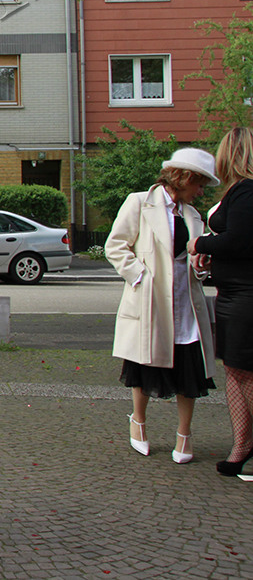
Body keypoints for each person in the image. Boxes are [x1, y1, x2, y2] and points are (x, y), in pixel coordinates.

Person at [107, 148, 218, 464]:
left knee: (189, 367)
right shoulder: (140, 202)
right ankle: (138, 422)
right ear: (184, 178)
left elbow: (195, 263)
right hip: (151, 299)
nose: (201, 192)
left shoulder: (194, 215)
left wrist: (201, 266)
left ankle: (185, 433)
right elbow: (115, 245)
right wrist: (140, 275)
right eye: (199, 184)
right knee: (145, 364)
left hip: (186, 301)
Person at [188, 129, 253, 475]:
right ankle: (241, 446)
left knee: (245, 370)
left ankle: (245, 445)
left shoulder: (246, 192)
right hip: (232, 292)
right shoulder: (240, 193)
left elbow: (240, 241)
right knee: (234, 369)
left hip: (246, 295)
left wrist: (200, 245)